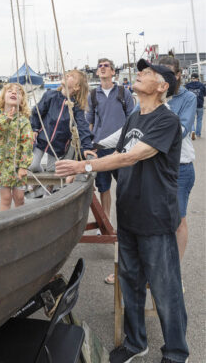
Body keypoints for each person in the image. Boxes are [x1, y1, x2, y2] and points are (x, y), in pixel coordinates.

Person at [55, 59, 189, 363]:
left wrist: (83, 165)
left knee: (165, 290)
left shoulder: (166, 121)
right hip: (128, 216)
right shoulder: (133, 117)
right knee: (130, 283)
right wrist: (91, 153)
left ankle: (176, 352)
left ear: (162, 86)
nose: (138, 74)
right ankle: (135, 342)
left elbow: (131, 157)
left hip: (155, 219)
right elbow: (117, 152)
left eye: (146, 73)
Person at [86, 58, 134, 223]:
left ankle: (127, 221)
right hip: (100, 148)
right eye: (100, 66)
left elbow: (132, 119)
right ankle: (105, 222)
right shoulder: (92, 95)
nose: (103, 68)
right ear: (97, 72)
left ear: (113, 72)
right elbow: (89, 123)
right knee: (103, 187)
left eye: (107, 66)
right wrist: (89, 146)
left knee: (125, 187)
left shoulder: (123, 92)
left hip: (121, 148)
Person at [159, 57, 196, 262]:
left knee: (178, 221)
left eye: (168, 73)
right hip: (156, 168)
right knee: (157, 220)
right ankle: (157, 266)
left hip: (179, 168)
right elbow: (131, 126)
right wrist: (100, 144)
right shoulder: (153, 95)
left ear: (178, 75)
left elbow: (181, 130)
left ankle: (175, 271)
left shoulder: (187, 97)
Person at [30, 70, 94, 178]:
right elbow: (37, 112)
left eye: (72, 76)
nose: (67, 75)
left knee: (52, 171)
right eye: (67, 74)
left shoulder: (76, 106)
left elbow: (82, 126)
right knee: (32, 166)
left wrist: (87, 147)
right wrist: (34, 129)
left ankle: (47, 191)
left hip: (58, 145)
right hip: (42, 139)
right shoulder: (50, 95)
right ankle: (38, 183)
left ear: (77, 87)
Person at [0, 83, 33, 211]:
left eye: (18, 92)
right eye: (10, 91)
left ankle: (20, 224)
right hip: (2, 165)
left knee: (19, 197)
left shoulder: (24, 121)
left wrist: (23, 166)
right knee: (5, 199)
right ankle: (4, 224)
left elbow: (27, 144)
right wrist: (6, 118)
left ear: (22, 101)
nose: (14, 93)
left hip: (17, 165)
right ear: (3, 97)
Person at [185, 71, 205, 138]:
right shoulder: (202, 85)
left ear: (191, 78)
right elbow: (205, 94)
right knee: (199, 119)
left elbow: (185, 95)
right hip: (200, 104)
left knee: (191, 119)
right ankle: (198, 134)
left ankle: (192, 130)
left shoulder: (187, 85)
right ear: (198, 78)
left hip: (191, 105)